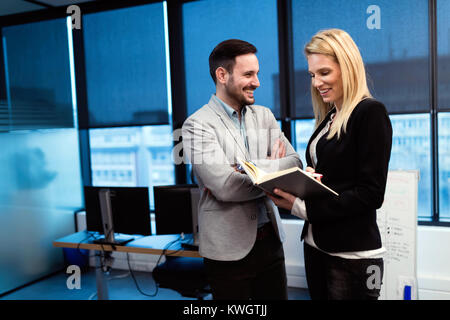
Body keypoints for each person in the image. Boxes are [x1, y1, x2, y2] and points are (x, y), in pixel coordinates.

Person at [267, 29, 393, 300]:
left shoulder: (370, 113)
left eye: (324, 73)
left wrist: (301, 207)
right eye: (313, 75)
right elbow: (335, 177)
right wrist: (304, 180)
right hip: (316, 245)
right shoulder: (331, 115)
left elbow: (371, 194)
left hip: (352, 256)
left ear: (347, 67)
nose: (316, 83)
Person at [182, 39, 302, 300]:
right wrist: (272, 177)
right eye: (248, 74)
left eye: (257, 73)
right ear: (222, 75)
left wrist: (247, 169)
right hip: (227, 250)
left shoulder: (264, 116)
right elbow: (225, 187)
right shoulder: (196, 125)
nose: (257, 82)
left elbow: (295, 163)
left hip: (270, 242)